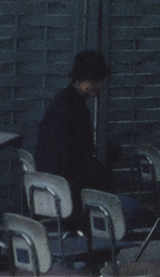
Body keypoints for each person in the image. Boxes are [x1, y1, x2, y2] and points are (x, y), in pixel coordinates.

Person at [36, 50, 121, 220]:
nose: (100, 86)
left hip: (51, 186)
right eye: (96, 80)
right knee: (124, 208)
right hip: (70, 190)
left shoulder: (62, 101)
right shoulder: (75, 109)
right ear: (83, 79)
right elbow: (80, 158)